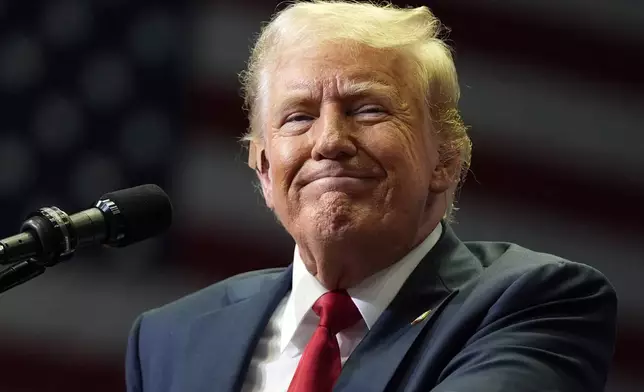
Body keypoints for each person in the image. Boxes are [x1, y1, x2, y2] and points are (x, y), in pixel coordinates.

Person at [125, 1, 617, 391]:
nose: (329, 141)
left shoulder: (533, 303)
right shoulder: (171, 339)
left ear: (445, 158)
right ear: (265, 169)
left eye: (368, 109)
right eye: (298, 116)